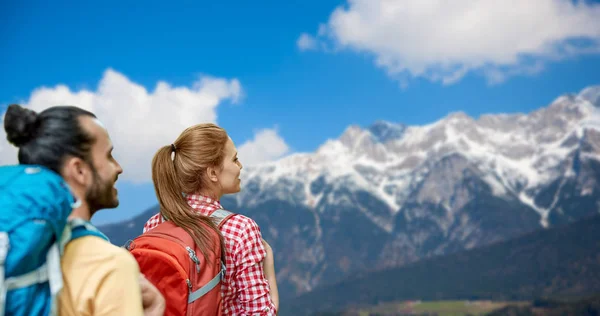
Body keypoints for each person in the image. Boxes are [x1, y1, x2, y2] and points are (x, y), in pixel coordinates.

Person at [3, 104, 165, 316]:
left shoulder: (12, 249)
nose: (118, 168)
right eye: (109, 156)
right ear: (79, 170)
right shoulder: (107, 263)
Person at [143, 123, 279, 315]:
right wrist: (269, 266)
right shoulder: (240, 229)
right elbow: (260, 313)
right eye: (235, 159)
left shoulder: (154, 224)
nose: (240, 166)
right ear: (213, 173)